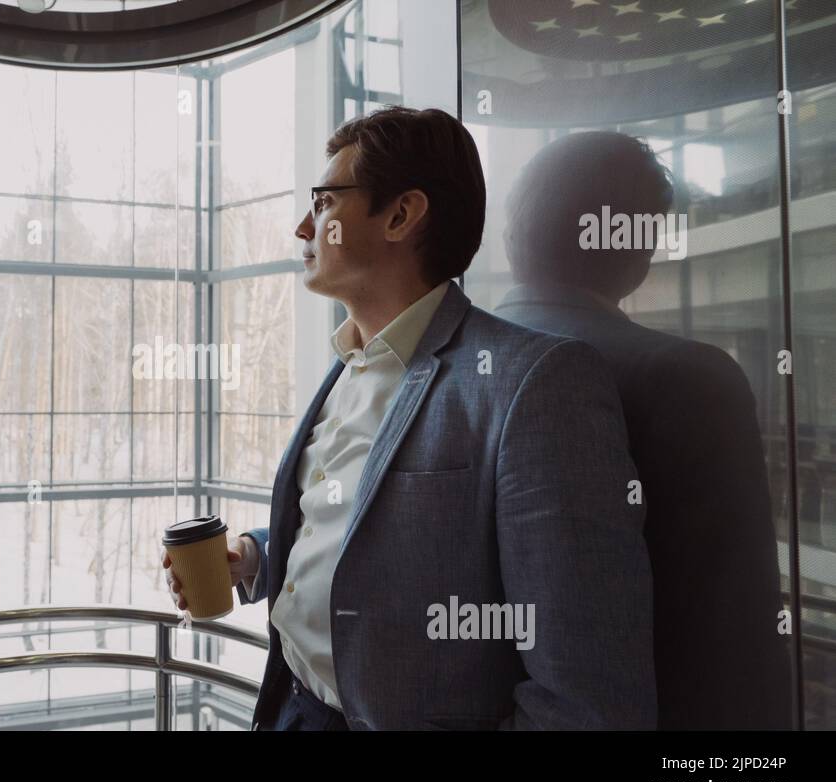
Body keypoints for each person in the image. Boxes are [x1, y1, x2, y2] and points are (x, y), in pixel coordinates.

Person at [162, 106, 656, 730]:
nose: (300, 227)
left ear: (400, 215)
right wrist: (257, 559)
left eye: (323, 203)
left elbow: (587, 696)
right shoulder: (349, 361)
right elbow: (363, 523)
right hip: (292, 708)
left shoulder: (535, 383)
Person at [493, 131, 793, 729]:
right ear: (639, 248)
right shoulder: (691, 380)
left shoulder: (444, 365)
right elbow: (735, 638)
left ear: (511, 234)